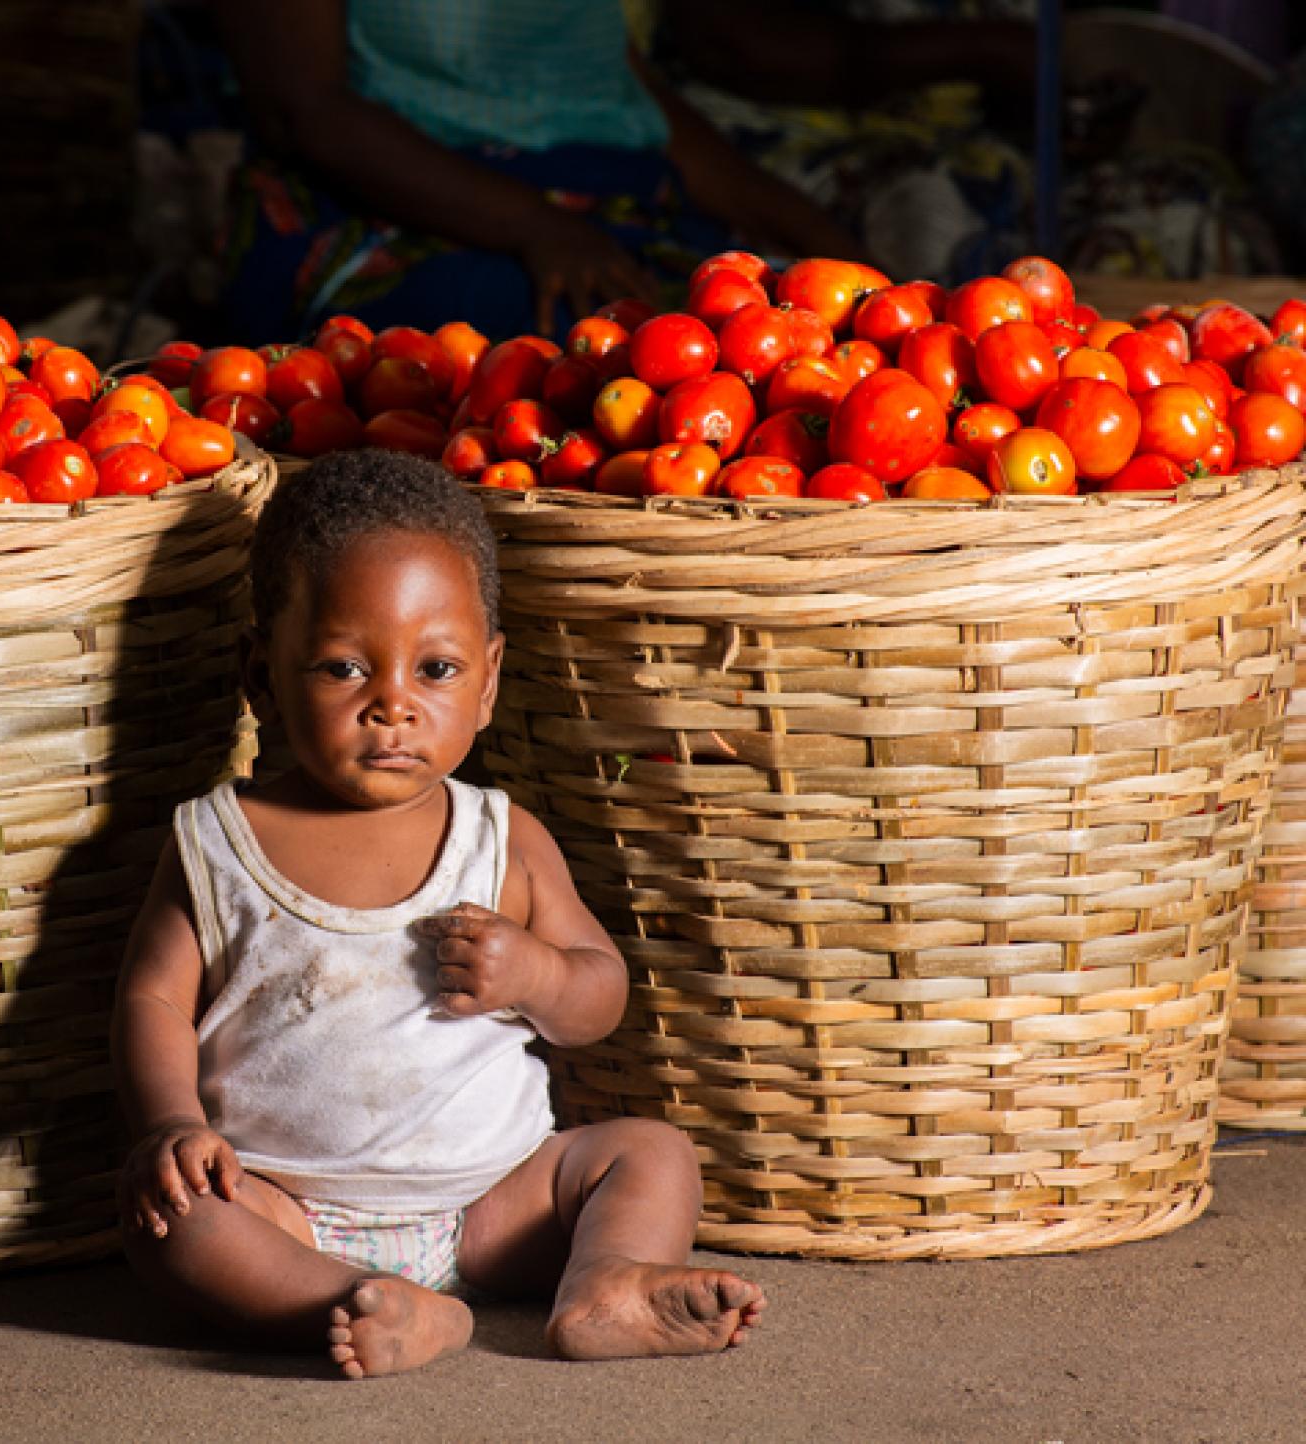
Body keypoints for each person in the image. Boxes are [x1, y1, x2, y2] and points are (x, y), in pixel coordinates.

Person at [111, 451, 764, 1379]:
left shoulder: (501, 838)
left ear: (488, 681)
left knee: (648, 1153)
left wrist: (537, 975)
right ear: (262, 674)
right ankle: (356, 1308)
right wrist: (171, 1125)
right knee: (172, 1223)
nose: (393, 705)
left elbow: (599, 994)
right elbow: (153, 1003)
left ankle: (607, 1283)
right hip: (289, 1209)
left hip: (496, 1203)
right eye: (343, 666)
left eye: (437, 669)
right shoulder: (221, 841)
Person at [211, 0, 863, 343]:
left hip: (610, 215)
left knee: (756, 339)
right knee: (563, 366)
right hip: (395, 212)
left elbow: (631, 100)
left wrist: (838, 256)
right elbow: (306, 111)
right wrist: (536, 226)